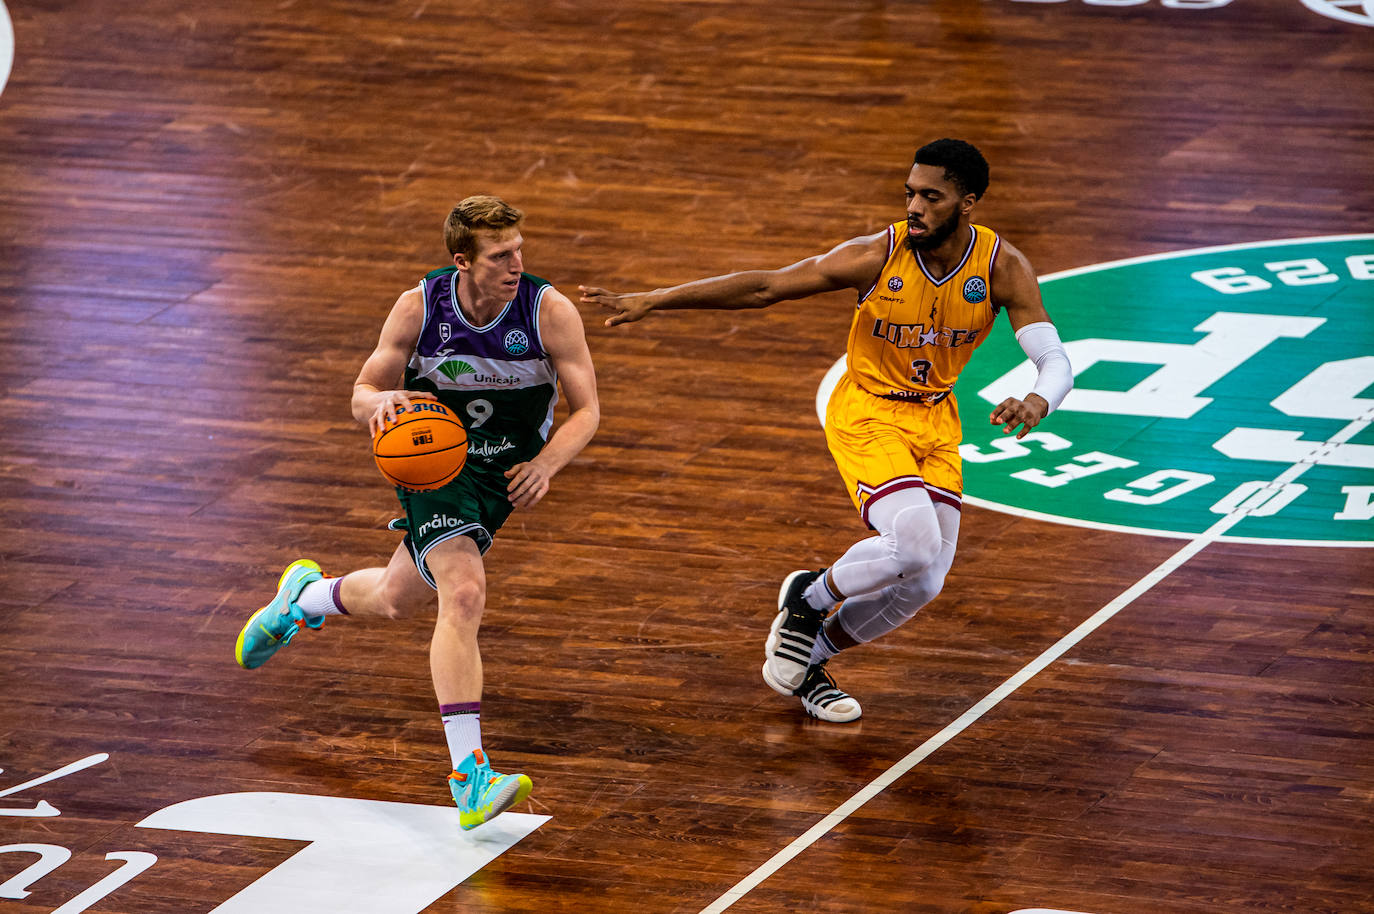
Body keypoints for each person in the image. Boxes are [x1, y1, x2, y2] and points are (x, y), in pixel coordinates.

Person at [581, 139, 1071, 723]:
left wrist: (1040, 399)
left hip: (935, 419)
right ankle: (807, 597)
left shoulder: (1000, 265)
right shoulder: (876, 255)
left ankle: (809, 659)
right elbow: (767, 286)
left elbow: (1056, 359)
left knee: (925, 581)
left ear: (968, 203)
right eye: (910, 193)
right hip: (866, 410)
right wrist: (658, 300)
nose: (914, 206)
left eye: (931, 196)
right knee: (911, 543)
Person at [235, 195, 600, 828]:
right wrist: (378, 405)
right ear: (463, 260)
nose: (517, 262)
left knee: (399, 597)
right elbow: (362, 392)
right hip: (435, 463)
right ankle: (470, 777)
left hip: (503, 473)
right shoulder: (419, 308)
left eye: (520, 249)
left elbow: (587, 410)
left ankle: (304, 598)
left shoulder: (550, 311)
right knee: (463, 593)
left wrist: (546, 464)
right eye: (500, 255)